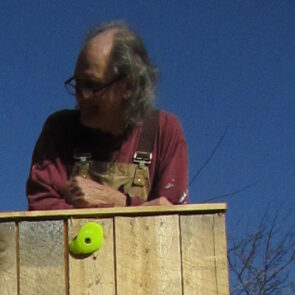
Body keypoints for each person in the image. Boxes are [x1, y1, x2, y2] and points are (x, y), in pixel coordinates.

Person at [26, 21, 188, 211]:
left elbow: (173, 221)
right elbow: (40, 208)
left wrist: (116, 200)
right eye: (78, 84)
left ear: (128, 86)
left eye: (93, 85)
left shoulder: (164, 131)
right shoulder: (59, 130)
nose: (81, 96)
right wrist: (139, 209)